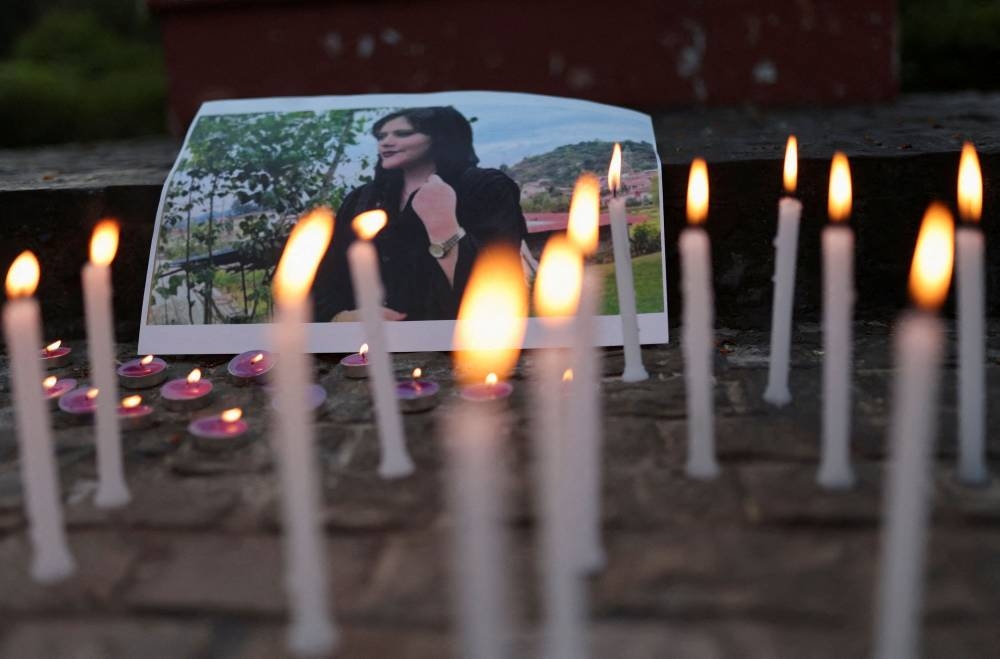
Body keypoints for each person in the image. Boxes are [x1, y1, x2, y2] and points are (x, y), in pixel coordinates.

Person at [311, 106, 528, 322]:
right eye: (381, 135)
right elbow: (327, 277)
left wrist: (444, 227)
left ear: (439, 137)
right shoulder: (362, 199)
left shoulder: (485, 187)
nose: (385, 142)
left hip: (461, 345)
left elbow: (497, 282)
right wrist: (343, 317)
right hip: (370, 347)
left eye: (403, 134)